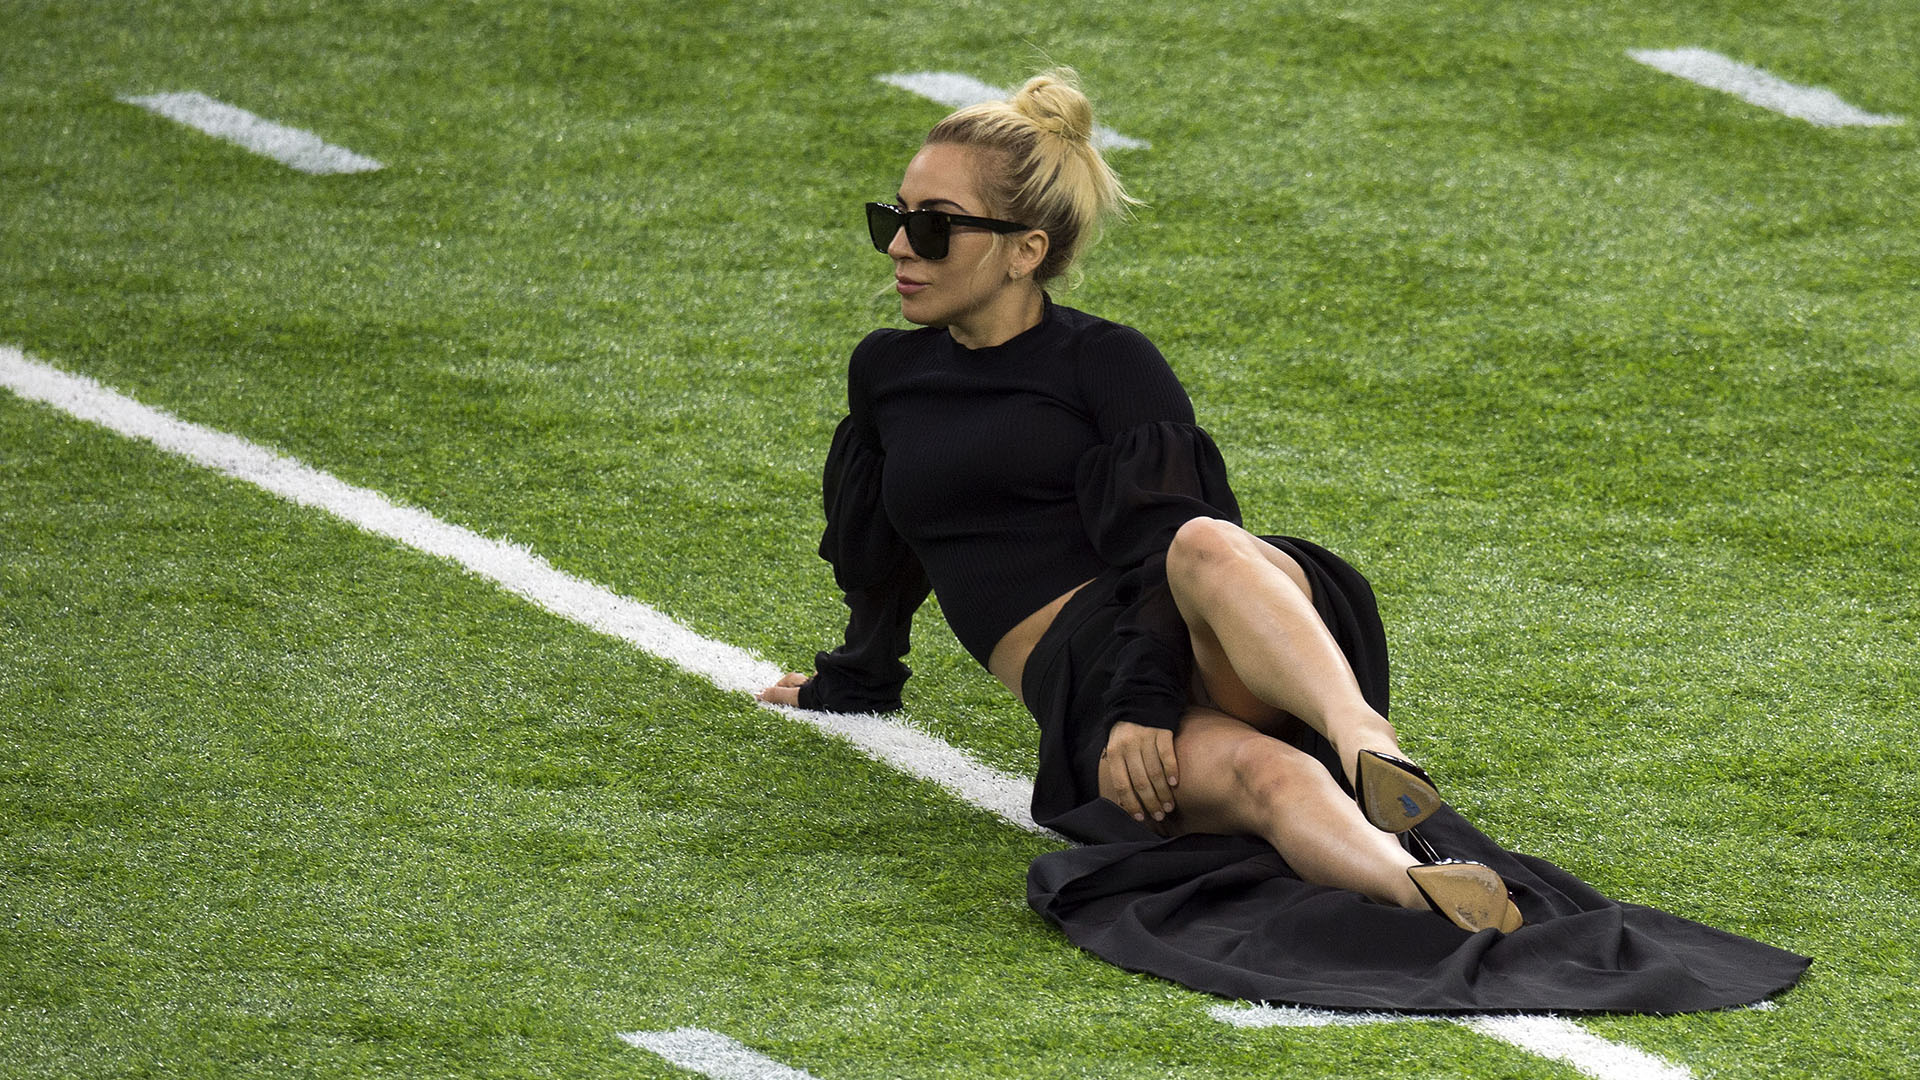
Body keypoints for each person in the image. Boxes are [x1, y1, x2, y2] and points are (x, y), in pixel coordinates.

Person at [760, 69, 1807, 1010]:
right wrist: (859, 674)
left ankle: (1371, 745)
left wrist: (1141, 709)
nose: (900, 246)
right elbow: (878, 551)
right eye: (893, 218)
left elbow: (1159, 549)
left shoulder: (1108, 363)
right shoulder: (888, 374)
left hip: (1188, 635)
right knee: (1272, 786)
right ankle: (1421, 883)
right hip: (1077, 685)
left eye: (934, 225)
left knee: (1208, 543)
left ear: (1026, 251)